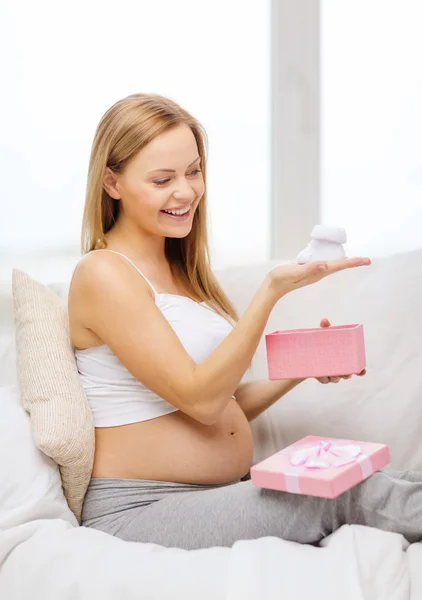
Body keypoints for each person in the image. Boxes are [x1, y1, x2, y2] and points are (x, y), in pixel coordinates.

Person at [69, 93, 421, 550]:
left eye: (193, 171)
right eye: (162, 179)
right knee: (343, 490)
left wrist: (300, 369)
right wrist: (271, 290)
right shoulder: (103, 273)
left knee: (377, 474)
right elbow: (201, 401)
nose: (186, 192)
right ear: (111, 183)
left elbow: (222, 404)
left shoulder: (180, 273)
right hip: (141, 509)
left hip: (205, 496)